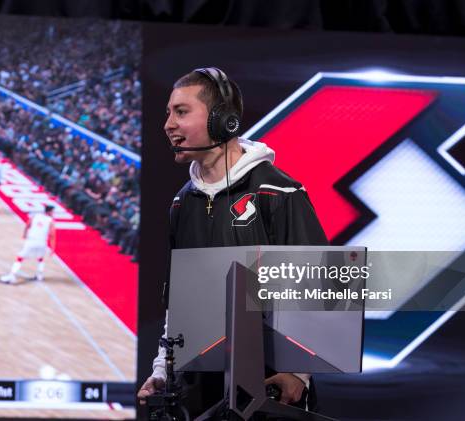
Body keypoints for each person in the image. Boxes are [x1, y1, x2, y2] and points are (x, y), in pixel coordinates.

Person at [137, 68, 328, 415]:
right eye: (168, 113)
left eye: (181, 112)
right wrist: (163, 369)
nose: (168, 124)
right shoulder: (182, 203)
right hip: (198, 391)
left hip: (269, 388)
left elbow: (317, 286)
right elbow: (180, 302)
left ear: (222, 120)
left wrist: (298, 371)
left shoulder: (278, 192)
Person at [0, 204, 56, 284]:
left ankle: (12, 276)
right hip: (42, 242)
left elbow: (27, 225)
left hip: (31, 241)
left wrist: (24, 234)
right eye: (53, 212)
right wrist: (53, 248)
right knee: (40, 258)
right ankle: (39, 276)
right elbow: (52, 235)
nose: (54, 213)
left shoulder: (35, 216)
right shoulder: (50, 220)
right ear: (50, 212)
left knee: (20, 258)